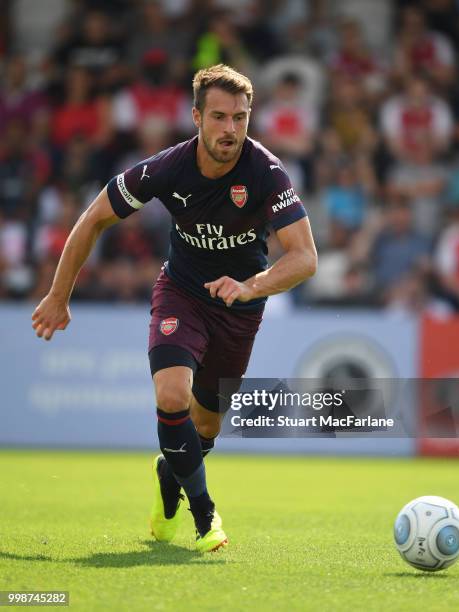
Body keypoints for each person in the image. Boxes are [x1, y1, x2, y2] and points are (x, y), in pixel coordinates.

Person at [31, 64, 318, 553]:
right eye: (221, 117)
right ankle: (206, 516)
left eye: (241, 118)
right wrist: (59, 294)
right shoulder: (166, 168)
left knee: (205, 425)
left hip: (239, 307)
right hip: (181, 292)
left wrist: (250, 287)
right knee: (171, 395)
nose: (231, 130)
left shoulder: (267, 172)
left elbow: (305, 257)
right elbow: (94, 217)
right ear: (197, 118)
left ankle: (170, 477)